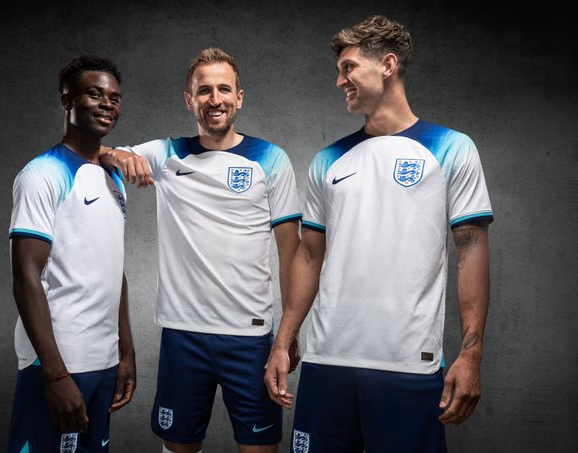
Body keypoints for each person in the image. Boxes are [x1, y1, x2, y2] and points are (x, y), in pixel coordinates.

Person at [263, 15, 494, 453]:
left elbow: (471, 251)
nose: (339, 80)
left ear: (387, 65)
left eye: (348, 67)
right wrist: (283, 340)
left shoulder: (451, 147)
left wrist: (471, 353)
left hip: (408, 364)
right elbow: (309, 257)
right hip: (325, 361)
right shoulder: (327, 160)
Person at [100, 47, 302, 453]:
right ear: (189, 99)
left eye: (224, 89)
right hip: (183, 335)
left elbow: (291, 255)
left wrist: (287, 333)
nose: (215, 99)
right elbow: (100, 154)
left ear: (239, 97)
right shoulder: (167, 153)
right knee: (178, 447)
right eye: (204, 90)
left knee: (260, 449)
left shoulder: (270, 159)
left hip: (249, 337)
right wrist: (116, 153)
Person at [6, 54, 136, 453]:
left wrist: (126, 351)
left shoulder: (114, 177)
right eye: (94, 94)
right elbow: (26, 274)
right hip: (58, 363)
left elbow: (114, 268)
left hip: (104, 360)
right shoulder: (42, 175)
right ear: (67, 101)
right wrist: (56, 375)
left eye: (113, 97)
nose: (106, 104)